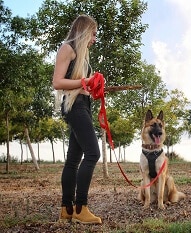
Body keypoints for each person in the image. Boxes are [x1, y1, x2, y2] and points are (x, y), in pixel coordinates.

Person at [52, 14, 102, 225]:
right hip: (73, 106)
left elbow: (81, 84)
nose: (94, 39)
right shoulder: (68, 48)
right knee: (93, 153)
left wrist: (93, 85)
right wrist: (86, 81)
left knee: (73, 160)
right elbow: (57, 82)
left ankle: (67, 209)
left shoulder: (82, 54)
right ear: (84, 31)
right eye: (93, 34)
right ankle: (81, 208)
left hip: (83, 104)